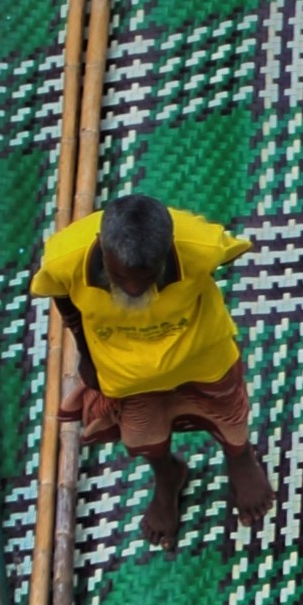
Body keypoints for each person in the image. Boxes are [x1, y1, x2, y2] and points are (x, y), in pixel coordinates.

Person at [32, 191, 272, 552]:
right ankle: (167, 473)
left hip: (203, 358)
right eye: (120, 276)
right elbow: (63, 298)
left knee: (228, 410)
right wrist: (85, 355)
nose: (133, 290)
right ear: (100, 246)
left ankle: (241, 459)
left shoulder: (200, 244)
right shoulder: (65, 258)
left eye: (147, 279)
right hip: (125, 375)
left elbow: (232, 250)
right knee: (142, 433)